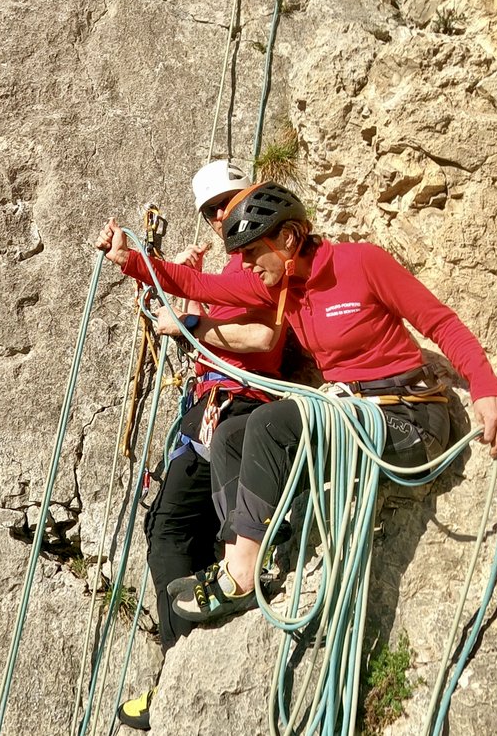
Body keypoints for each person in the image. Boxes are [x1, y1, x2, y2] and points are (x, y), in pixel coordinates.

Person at [96, 181, 497, 623]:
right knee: (231, 436)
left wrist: (487, 388)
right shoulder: (282, 289)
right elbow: (195, 283)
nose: (244, 266)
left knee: (271, 424)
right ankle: (242, 550)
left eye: (251, 253)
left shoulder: (362, 263)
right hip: (355, 415)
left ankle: (240, 576)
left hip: (411, 418)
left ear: (288, 239)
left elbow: (441, 323)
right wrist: (131, 261)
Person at [115, 162, 287, 731]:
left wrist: (190, 324)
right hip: (211, 407)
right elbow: (203, 299)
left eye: (227, 203)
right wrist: (165, 284)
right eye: (210, 211)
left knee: (187, 528)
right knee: (165, 528)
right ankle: (179, 661)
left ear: (253, 198)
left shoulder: (263, 262)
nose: (219, 217)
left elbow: (264, 337)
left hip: (238, 406)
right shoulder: (236, 265)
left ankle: (182, 666)